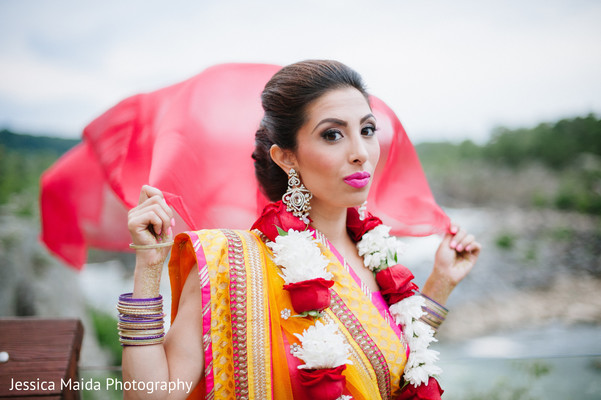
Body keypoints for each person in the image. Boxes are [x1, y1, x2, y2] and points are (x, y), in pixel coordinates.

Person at [120, 60, 481, 400]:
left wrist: (440, 285)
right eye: (333, 135)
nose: (361, 153)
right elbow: (156, 394)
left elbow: (389, 369)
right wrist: (148, 269)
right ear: (286, 157)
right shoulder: (230, 264)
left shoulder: (376, 255)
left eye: (367, 130)